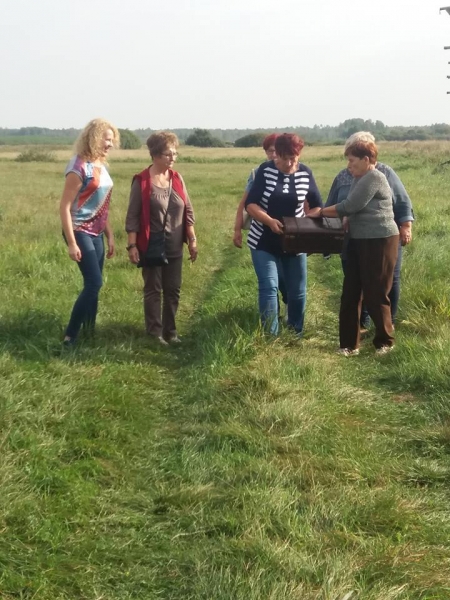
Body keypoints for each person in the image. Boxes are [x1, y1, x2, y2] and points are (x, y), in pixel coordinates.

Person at [314, 139, 399, 356]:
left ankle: (385, 342)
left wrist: (320, 212)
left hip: (380, 240)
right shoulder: (358, 178)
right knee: (351, 291)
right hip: (357, 239)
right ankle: (349, 345)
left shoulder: (374, 177)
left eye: (352, 160)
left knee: (376, 292)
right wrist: (345, 219)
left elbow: (350, 205)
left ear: (366, 159)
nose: (349, 165)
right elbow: (352, 209)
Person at [326, 131, 413, 329]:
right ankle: (363, 324)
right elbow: (333, 203)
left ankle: (388, 324)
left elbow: (402, 200)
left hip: (382, 236)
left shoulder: (384, 173)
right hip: (354, 237)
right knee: (356, 282)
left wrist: (406, 225)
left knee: (386, 282)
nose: (350, 163)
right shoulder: (344, 175)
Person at [245, 133, 323, 336]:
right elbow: (251, 204)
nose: (289, 163)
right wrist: (269, 221)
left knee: (297, 290)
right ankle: (270, 335)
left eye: (293, 158)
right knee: (269, 286)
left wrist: (302, 225)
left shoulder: (306, 173)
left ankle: (295, 331)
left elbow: (317, 206)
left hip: (294, 242)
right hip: (263, 240)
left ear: (299, 155)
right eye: (284, 158)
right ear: (276, 154)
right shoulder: (265, 171)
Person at [125, 131, 197, 345]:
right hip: (151, 245)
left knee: (173, 290)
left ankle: (171, 332)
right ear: (155, 155)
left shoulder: (177, 178)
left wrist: (192, 240)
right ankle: (154, 333)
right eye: (168, 154)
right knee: (153, 290)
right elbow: (133, 216)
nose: (173, 158)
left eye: (175, 153)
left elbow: (188, 211)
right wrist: (132, 245)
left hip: (175, 245)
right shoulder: (142, 181)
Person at [59, 118, 120, 347]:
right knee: (94, 282)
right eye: (107, 139)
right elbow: (65, 207)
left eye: (112, 140)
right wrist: (72, 243)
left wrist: (110, 233)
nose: (110, 144)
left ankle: (89, 332)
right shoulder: (78, 167)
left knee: (93, 285)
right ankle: (70, 337)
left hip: (97, 232)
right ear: (93, 138)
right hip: (79, 230)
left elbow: (100, 204)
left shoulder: (101, 165)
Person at [233, 134, 278, 248]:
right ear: (266, 152)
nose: (274, 155)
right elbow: (244, 202)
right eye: (270, 151)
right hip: (261, 231)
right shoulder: (258, 172)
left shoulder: (297, 170)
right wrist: (237, 230)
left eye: (277, 151)